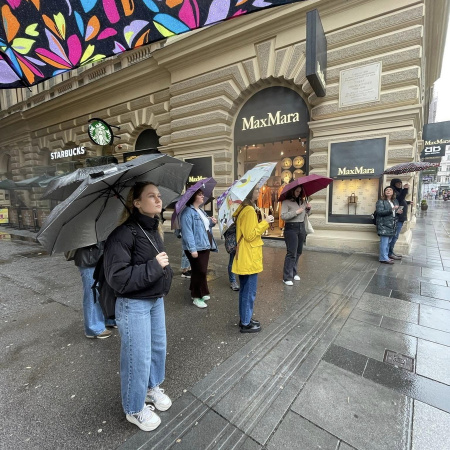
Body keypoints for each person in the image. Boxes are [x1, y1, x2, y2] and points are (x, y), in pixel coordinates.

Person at [104, 182, 173, 432]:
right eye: (151, 196)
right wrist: (155, 267)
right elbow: (117, 278)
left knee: (157, 349)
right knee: (137, 357)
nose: (157, 200)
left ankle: (150, 389)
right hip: (134, 305)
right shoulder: (122, 235)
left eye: (159, 195)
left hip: (155, 299)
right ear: (136, 203)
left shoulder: (154, 228)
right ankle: (134, 409)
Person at [232, 186, 274, 333]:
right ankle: (245, 322)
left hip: (244, 255)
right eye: (256, 190)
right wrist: (265, 222)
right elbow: (250, 235)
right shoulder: (249, 211)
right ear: (250, 193)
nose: (259, 192)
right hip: (249, 256)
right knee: (249, 292)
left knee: (245, 290)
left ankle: (245, 317)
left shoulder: (244, 209)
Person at [180, 189, 218, 308]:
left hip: (204, 244)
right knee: (199, 271)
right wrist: (192, 249)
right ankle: (196, 296)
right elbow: (187, 232)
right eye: (200, 194)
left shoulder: (200, 210)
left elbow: (205, 226)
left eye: (202, 194)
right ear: (193, 197)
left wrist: (212, 222)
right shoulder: (187, 212)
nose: (203, 196)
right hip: (196, 247)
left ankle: (202, 291)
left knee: (200, 271)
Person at [74, 243, 115, 339]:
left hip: (100, 257)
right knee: (92, 292)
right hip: (89, 258)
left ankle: (107, 319)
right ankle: (94, 328)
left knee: (104, 290)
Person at [280, 185, 311, 286]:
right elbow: (283, 216)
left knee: (298, 252)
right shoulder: (286, 202)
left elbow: (307, 215)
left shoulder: (302, 201)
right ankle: (287, 277)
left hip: (301, 227)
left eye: (299, 191)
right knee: (291, 253)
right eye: (296, 191)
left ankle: (294, 272)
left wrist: (308, 209)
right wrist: (296, 212)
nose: (298, 193)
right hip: (291, 228)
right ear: (292, 191)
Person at [376, 186, 399, 264]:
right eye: (386, 190)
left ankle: (386, 256)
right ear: (384, 192)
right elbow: (379, 212)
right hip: (384, 224)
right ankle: (383, 258)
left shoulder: (394, 201)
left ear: (393, 192)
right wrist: (391, 209)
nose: (388, 191)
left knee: (388, 242)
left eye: (390, 190)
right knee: (384, 242)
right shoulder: (381, 201)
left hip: (392, 224)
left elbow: (393, 213)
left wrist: (397, 212)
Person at [388, 178, 410, 260]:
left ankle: (391, 252)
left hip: (400, 217)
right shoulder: (393, 191)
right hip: (397, 218)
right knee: (394, 236)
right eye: (397, 183)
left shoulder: (398, 191)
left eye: (400, 183)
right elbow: (399, 199)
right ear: (394, 184)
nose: (399, 184)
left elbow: (401, 200)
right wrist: (405, 189)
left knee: (395, 236)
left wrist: (407, 202)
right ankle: (389, 253)